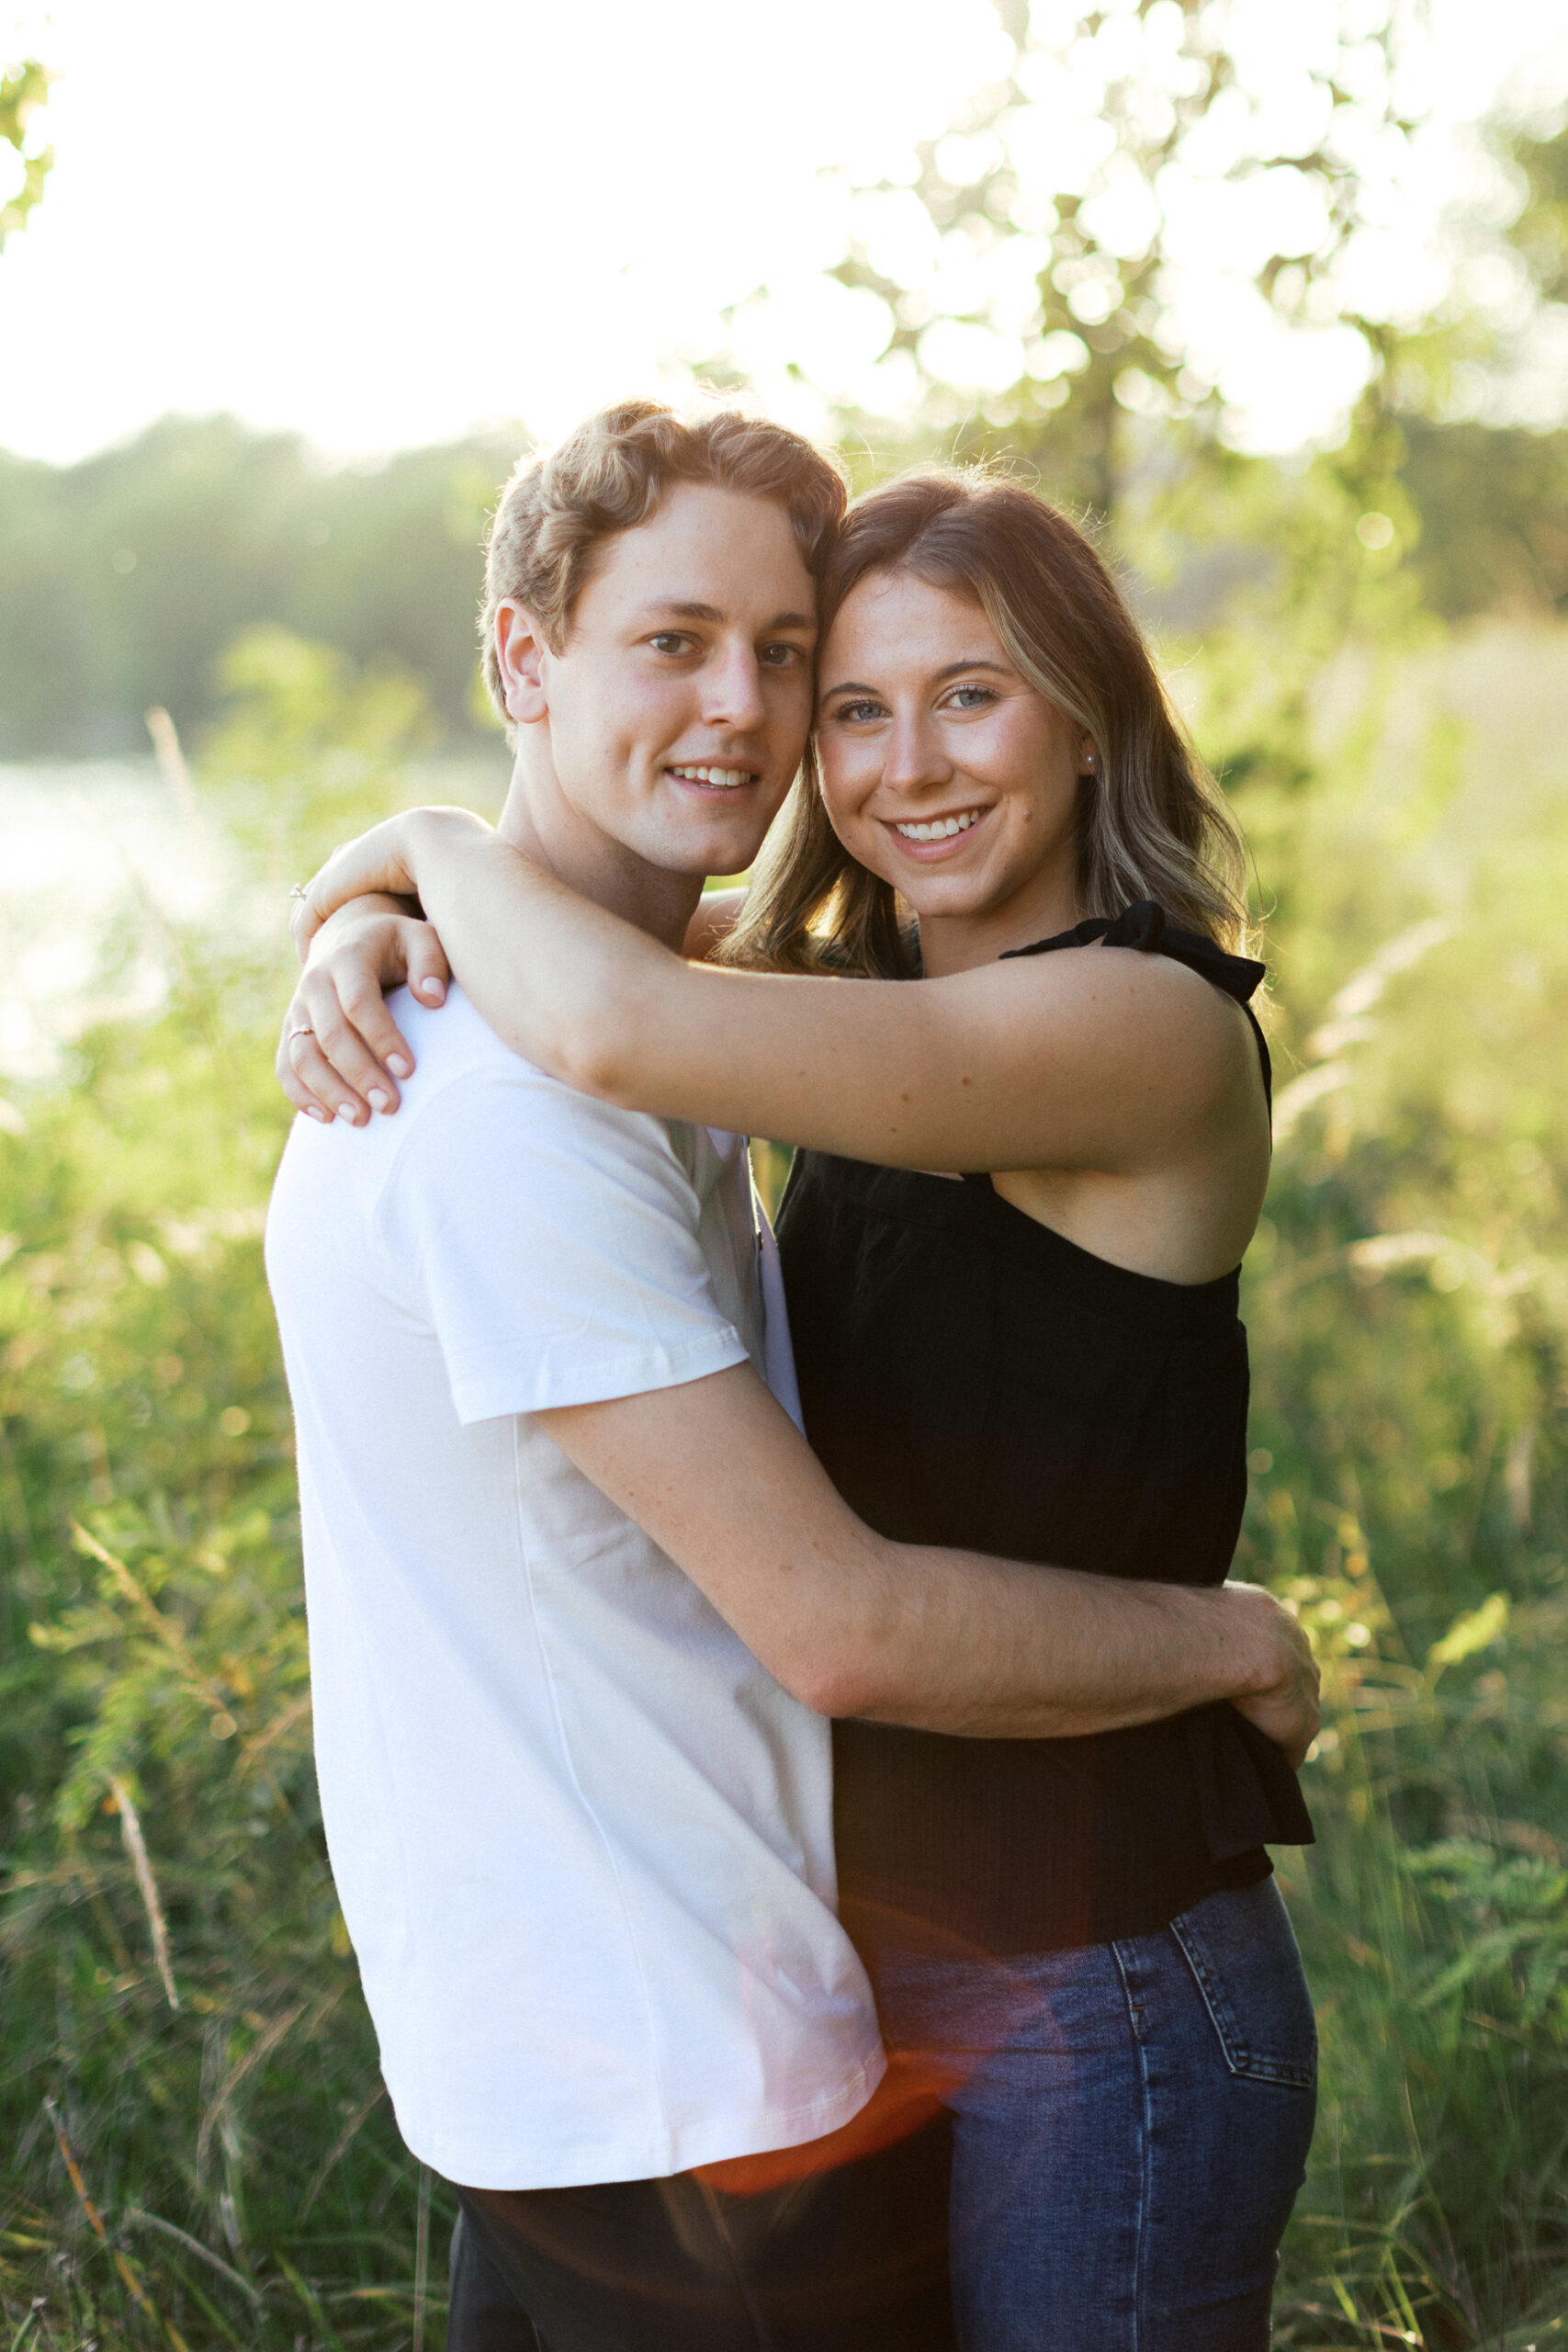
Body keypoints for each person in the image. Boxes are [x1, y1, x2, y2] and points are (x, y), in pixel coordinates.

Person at [275, 404, 1320, 2352]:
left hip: (1101, 1985)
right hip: (856, 1984)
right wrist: (374, 902)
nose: (892, 761)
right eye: (849, 706)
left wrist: (409, 846)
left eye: (970, 696)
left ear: (1087, 714)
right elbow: (599, 974)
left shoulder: (1136, 1027)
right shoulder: (840, 1011)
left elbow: (604, 1007)